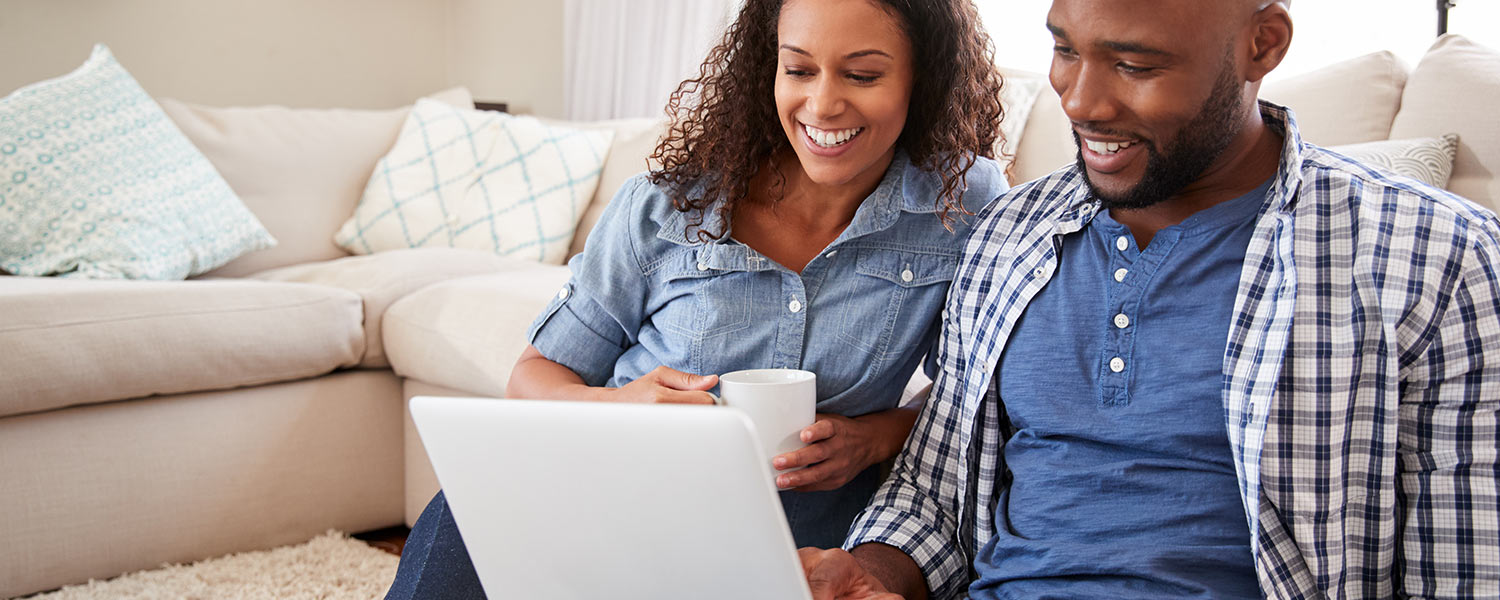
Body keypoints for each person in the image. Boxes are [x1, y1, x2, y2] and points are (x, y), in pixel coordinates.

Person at [799, 0, 1500, 599]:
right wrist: (867, 574)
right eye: (1065, 50)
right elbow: (936, 491)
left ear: (1262, 46)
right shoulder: (1009, 234)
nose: (1080, 101)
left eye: (1135, 66)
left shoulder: (1438, 257)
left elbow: (1466, 567)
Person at [384, 0, 1010, 598]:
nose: (822, 102)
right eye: (798, 69)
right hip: (617, 483)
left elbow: (973, 391)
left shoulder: (962, 202)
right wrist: (620, 407)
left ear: (920, 78)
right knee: (470, 512)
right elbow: (534, 376)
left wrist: (875, 437)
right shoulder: (666, 204)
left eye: (863, 74)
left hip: (810, 520)